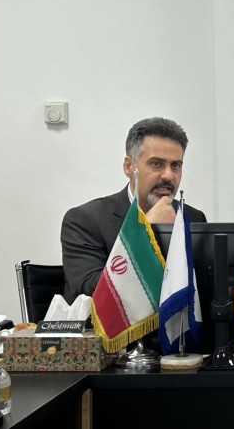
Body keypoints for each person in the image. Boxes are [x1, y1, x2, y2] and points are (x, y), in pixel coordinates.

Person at [61, 117, 207, 302]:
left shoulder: (192, 217)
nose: (168, 175)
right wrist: (145, 232)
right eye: (157, 164)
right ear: (129, 167)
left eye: (175, 165)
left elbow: (204, 288)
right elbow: (91, 291)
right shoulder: (85, 220)